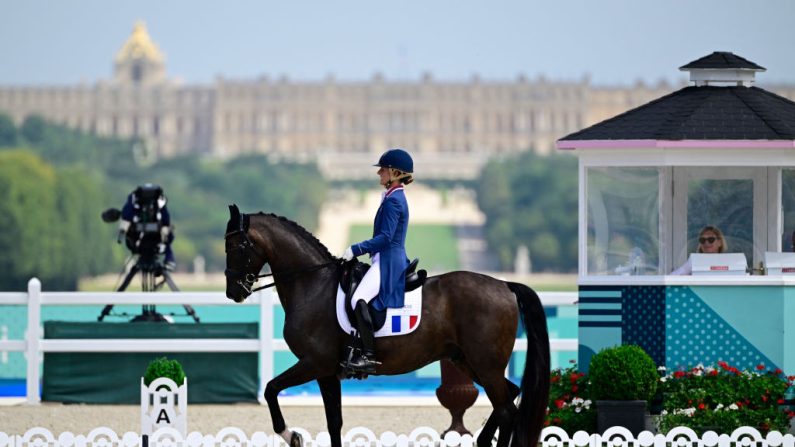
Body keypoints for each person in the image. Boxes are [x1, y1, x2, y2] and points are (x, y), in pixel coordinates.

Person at [340, 148, 414, 374]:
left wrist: (356, 249)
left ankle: (369, 356)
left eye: (383, 169)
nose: (379, 173)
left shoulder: (394, 201)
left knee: (358, 299)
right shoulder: (392, 196)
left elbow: (385, 238)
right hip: (384, 258)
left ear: (395, 172)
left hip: (388, 261)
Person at [118, 183, 176, 271]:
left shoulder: (134, 199)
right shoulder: (135, 199)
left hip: (142, 239)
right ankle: (169, 260)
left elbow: (127, 214)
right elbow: (165, 217)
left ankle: (169, 260)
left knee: (166, 236)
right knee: (167, 237)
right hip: (142, 239)